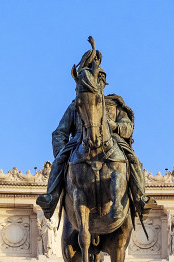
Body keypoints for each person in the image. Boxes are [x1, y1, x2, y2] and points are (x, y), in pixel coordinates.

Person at [36, 39, 149, 223]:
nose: (99, 83)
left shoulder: (114, 104)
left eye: (101, 80)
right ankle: (50, 197)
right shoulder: (75, 106)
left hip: (112, 142)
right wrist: (62, 153)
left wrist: (114, 126)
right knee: (59, 163)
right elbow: (59, 133)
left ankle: (140, 199)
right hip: (79, 143)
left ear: (104, 83)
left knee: (134, 161)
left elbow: (128, 128)